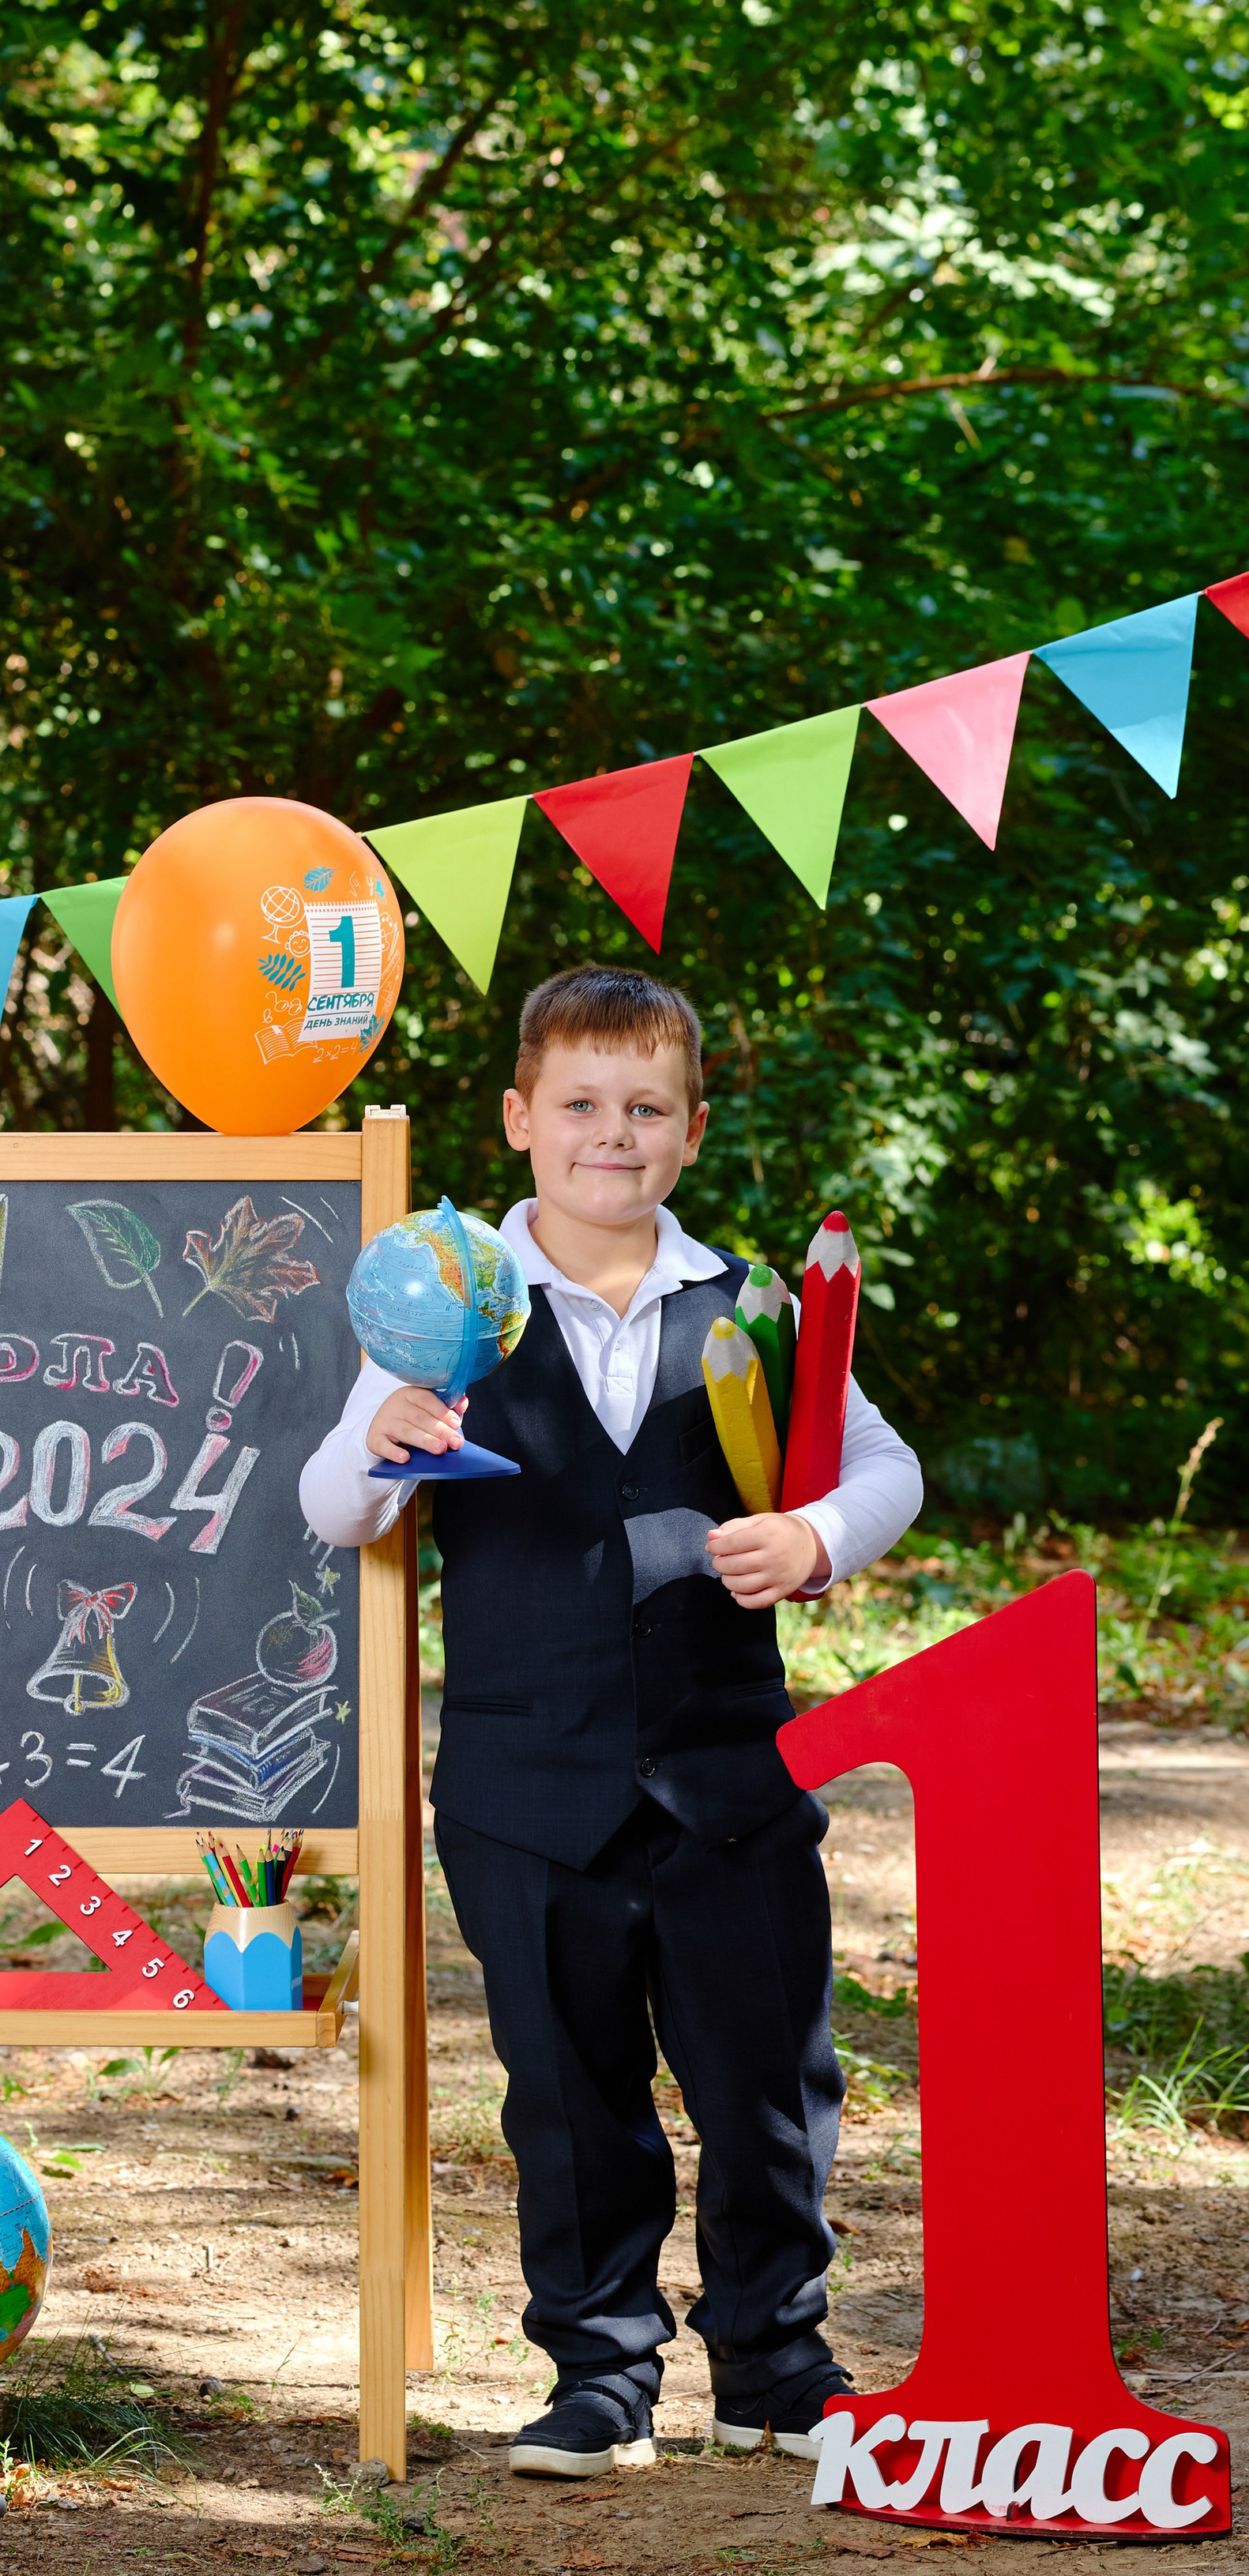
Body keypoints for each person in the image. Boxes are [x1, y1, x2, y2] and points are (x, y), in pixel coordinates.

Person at [300, 965, 923, 2478]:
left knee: (766, 2082)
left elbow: (886, 1467)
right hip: (528, 1783)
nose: (611, 1134)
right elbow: (332, 1508)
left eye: (646, 1109)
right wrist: (385, 1443)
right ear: (521, 1119)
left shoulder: (756, 1309)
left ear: (691, 1130)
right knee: (570, 2095)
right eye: (580, 1104)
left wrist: (821, 1538)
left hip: (730, 1773)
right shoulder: (447, 1310)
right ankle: (599, 2373)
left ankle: (778, 2366)